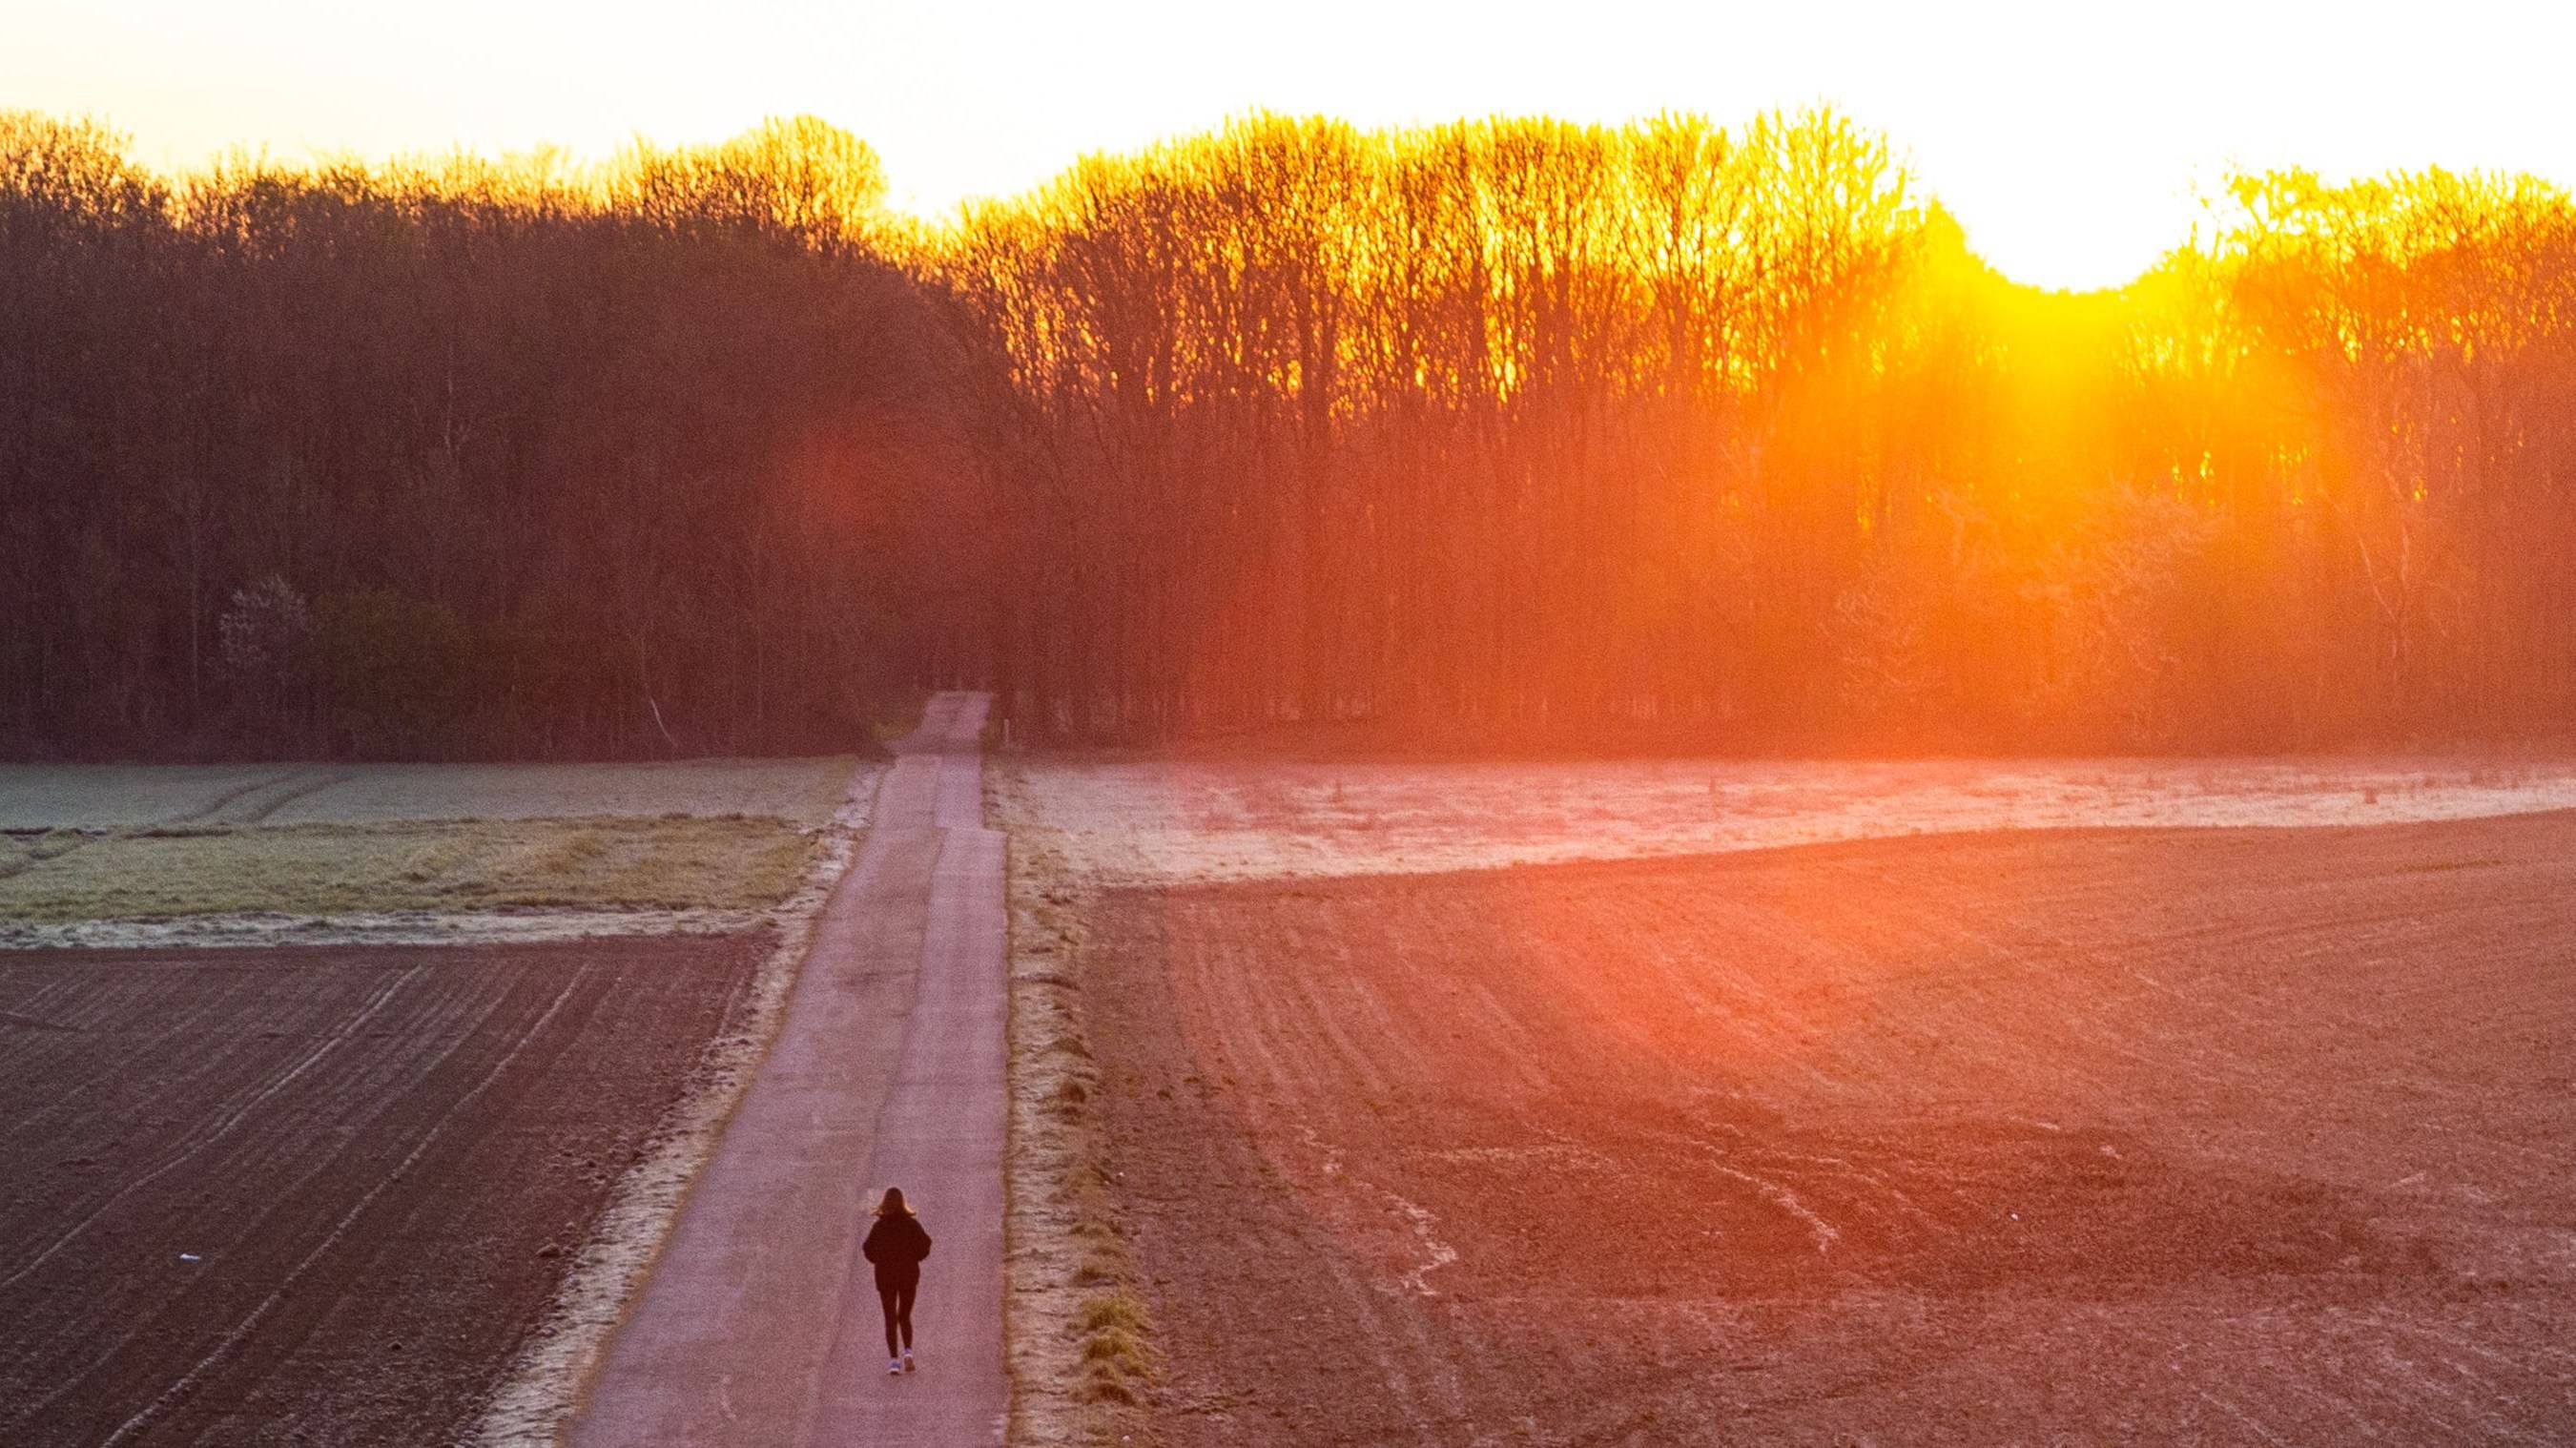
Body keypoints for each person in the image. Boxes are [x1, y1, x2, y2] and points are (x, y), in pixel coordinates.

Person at [861, 1187, 933, 1376]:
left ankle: (894, 1361)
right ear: (902, 1203)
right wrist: (914, 1258)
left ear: (885, 1203)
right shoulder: (911, 1225)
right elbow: (925, 1245)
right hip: (908, 1276)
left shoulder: (879, 1227)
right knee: (904, 1316)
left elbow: (867, 1249)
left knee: (890, 1318)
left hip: (885, 1278)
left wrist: (880, 1260)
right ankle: (908, 1352)